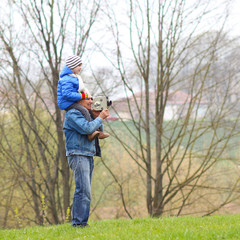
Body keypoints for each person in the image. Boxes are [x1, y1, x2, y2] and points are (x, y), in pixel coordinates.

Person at [63, 96, 110, 227]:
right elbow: (88, 129)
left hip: (87, 154)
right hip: (78, 154)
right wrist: (100, 118)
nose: (91, 101)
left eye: (91, 98)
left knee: (86, 191)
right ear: (78, 100)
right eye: (88, 99)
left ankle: (82, 223)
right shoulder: (73, 114)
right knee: (83, 190)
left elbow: (100, 132)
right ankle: (78, 224)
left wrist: (96, 117)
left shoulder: (85, 114)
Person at [57, 55, 109, 141]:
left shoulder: (73, 77)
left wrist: (97, 115)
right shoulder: (67, 79)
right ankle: (91, 134)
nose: (80, 68)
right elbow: (67, 94)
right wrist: (82, 96)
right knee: (85, 111)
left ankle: (99, 132)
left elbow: (81, 89)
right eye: (79, 65)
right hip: (67, 103)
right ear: (72, 66)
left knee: (87, 111)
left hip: (71, 101)